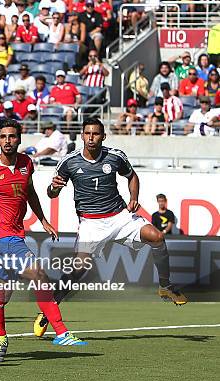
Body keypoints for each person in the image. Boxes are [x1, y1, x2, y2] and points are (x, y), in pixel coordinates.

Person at [37, 117, 187, 335]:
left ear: (103, 136)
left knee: (157, 237)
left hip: (119, 217)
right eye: (87, 133)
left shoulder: (115, 156)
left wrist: (133, 197)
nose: (91, 137)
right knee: (78, 268)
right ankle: (49, 309)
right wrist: (54, 188)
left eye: (95, 133)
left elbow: (132, 176)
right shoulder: (69, 161)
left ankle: (165, 287)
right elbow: (51, 194)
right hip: (91, 223)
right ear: (81, 135)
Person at [0, 118, 86, 354]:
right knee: (39, 274)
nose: (8, 141)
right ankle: (61, 332)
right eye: (3, 137)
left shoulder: (26, 163)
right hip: (3, 238)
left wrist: (43, 220)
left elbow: (30, 192)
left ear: (19, 138)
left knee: (0, 294)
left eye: (12, 136)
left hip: (16, 235)